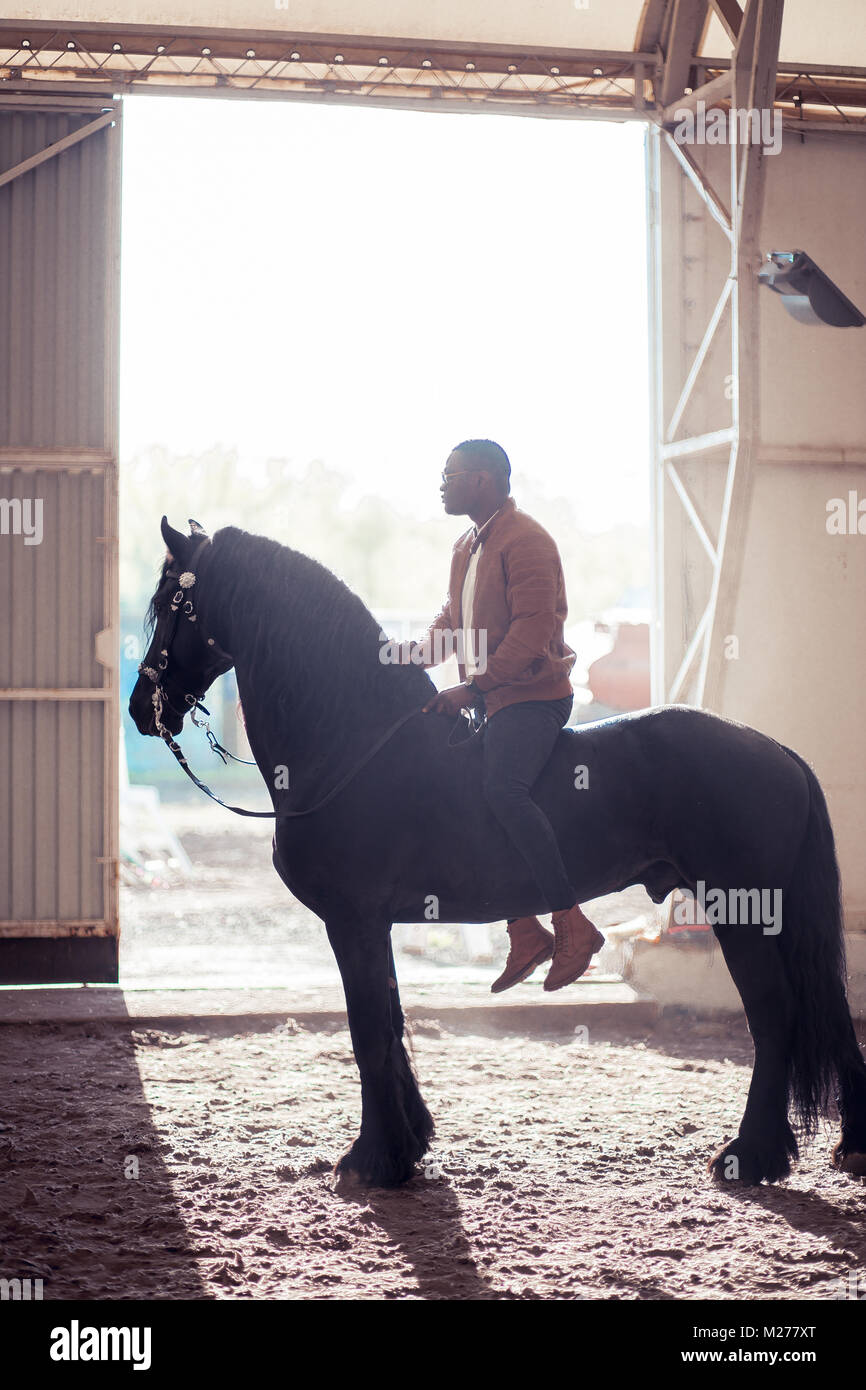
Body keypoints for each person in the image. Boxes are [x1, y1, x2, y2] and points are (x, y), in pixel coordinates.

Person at [414, 439, 604, 992]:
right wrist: (401, 658)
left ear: (483, 480)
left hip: (533, 697)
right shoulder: (466, 545)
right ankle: (524, 931)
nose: (442, 484)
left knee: (503, 790)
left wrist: (474, 688)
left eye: (450, 474)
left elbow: (533, 630)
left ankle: (571, 921)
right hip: (494, 697)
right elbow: (451, 620)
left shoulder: (528, 541)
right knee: (468, 794)